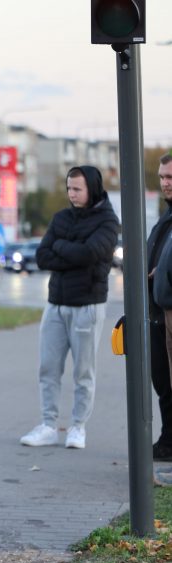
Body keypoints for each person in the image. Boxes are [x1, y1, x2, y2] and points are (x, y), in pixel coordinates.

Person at [20, 165, 120, 449]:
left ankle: (78, 427)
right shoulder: (61, 218)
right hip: (55, 305)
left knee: (83, 372)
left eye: (77, 189)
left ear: (92, 188)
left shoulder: (108, 222)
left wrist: (61, 247)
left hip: (87, 306)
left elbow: (90, 254)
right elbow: (42, 256)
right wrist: (71, 250)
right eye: (69, 188)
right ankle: (48, 425)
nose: (71, 194)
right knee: (48, 368)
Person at [148, 153, 172, 461]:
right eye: (163, 177)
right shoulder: (165, 217)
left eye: (171, 177)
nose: (167, 182)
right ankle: (168, 439)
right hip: (158, 310)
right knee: (163, 380)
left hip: (168, 307)